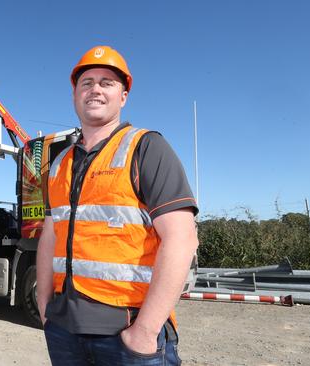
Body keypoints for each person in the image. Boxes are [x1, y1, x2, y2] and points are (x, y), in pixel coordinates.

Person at [36, 45, 199, 365]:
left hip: (127, 335)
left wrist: (146, 330)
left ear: (123, 96)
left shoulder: (147, 147)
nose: (95, 88)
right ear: (74, 95)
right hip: (64, 331)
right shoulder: (59, 165)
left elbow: (182, 239)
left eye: (107, 82)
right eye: (87, 82)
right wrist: (44, 306)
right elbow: (50, 236)